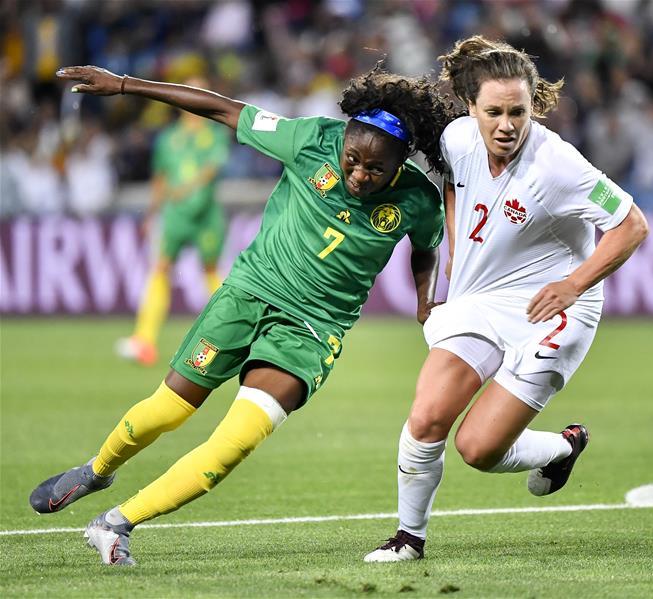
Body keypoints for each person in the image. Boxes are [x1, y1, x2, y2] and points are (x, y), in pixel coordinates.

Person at [30, 64, 457, 566]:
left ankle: (116, 524)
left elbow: (426, 247)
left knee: (232, 446)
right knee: (168, 410)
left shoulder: (419, 198)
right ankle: (97, 471)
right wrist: (125, 85)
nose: (359, 176)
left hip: (312, 329)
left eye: (375, 170)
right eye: (352, 160)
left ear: (401, 163)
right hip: (247, 294)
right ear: (343, 141)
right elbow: (222, 109)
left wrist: (425, 299)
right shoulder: (311, 139)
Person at [364, 36, 648, 562]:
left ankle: (564, 446)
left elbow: (631, 225)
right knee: (427, 418)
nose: (507, 125)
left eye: (518, 112)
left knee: (477, 449)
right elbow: (453, 187)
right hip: (482, 298)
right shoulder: (457, 139)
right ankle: (408, 538)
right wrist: (457, 260)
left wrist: (574, 284)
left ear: (532, 106)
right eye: (493, 112)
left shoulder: (557, 165)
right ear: (470, 106)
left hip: (553, 309)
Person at [116, 76, 231, 366]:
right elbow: (160, 178)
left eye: (201, 91)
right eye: (190, 90)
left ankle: (231, 335)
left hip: (205, 214)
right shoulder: (168, 138)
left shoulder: (215, 133)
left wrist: (185, 189)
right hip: (176, 215)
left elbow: (211, 170)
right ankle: (144, 340)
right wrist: (151, 213)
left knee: (211, 270)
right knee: (161, 267)